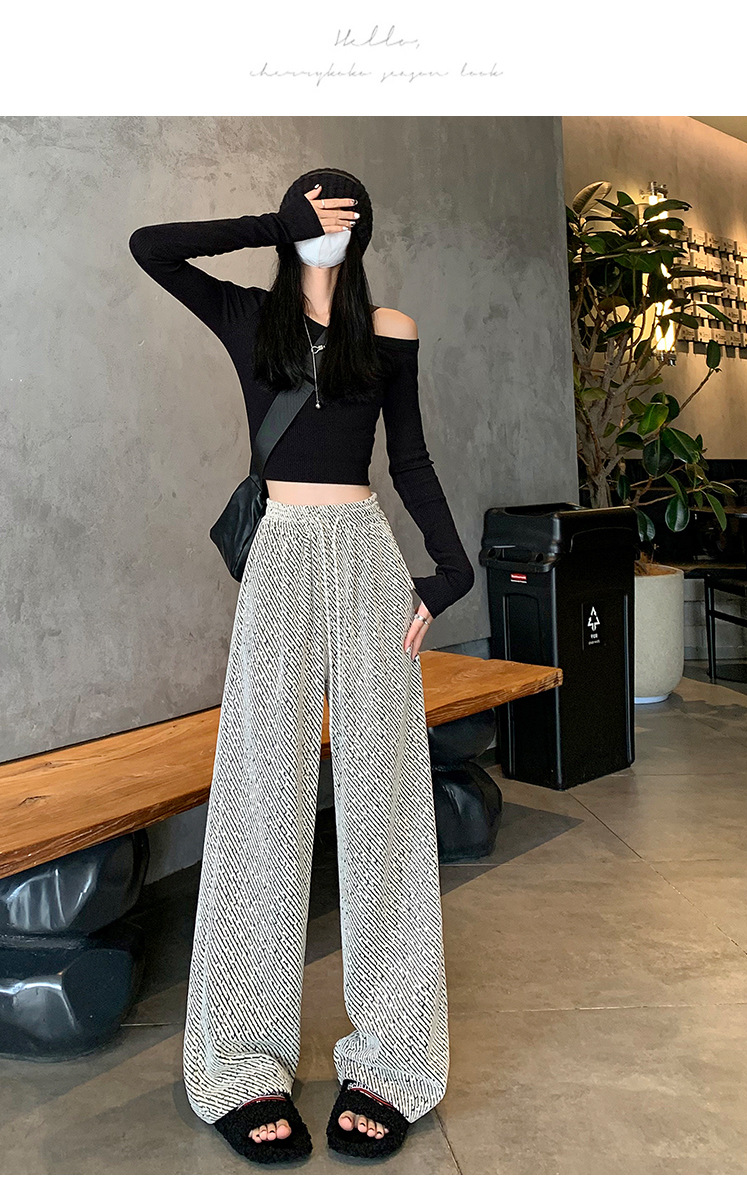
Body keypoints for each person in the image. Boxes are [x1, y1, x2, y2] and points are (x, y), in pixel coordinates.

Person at [128, 166, 474, 1163]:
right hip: (280, 553)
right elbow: (152, 248)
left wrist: (449, 570)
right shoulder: (249, 317)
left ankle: (392, 1058)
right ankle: (242, 1058)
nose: (329, 231)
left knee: (385, 804)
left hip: (366, 555)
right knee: (262, 800)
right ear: (289, 222)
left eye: (342, 217)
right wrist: (266, 223)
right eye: (312, 216)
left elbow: (408, 459)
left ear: (364, 233)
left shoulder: (388, 330)